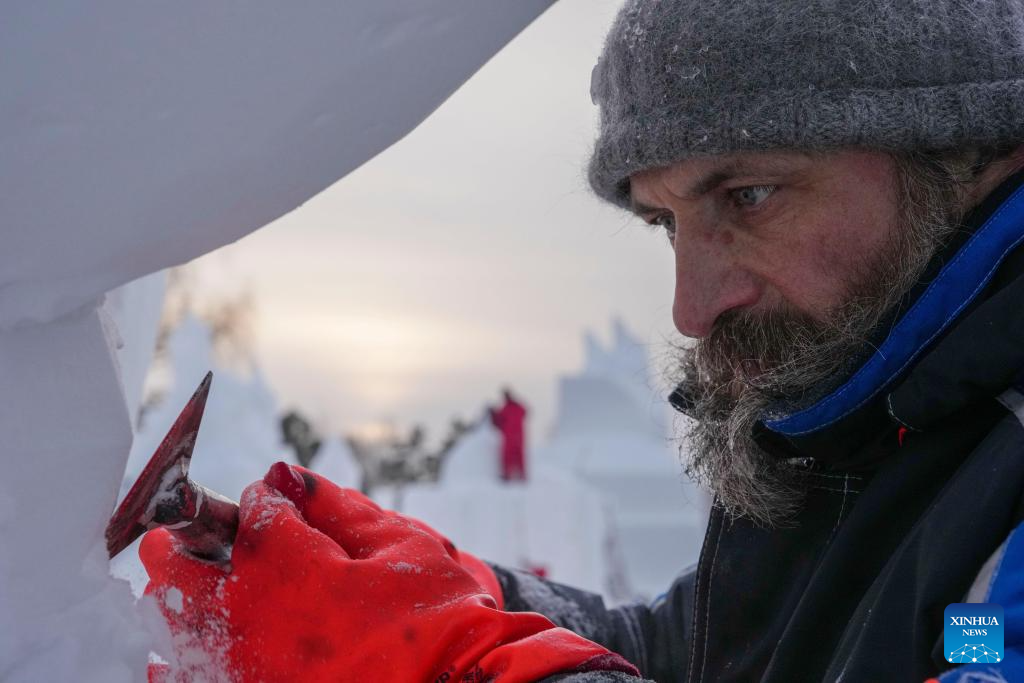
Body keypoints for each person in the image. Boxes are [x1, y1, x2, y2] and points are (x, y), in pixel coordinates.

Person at [141, 1, 1024, 681]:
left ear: (973, 152)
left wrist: (459, 661)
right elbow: (699, 657)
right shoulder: (866, 422)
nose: (691, 306)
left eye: (749, 195)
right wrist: (444, 596)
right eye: (664, 223)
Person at [490, 388, 528, 482]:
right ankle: (520, 475)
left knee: (509, 455)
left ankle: (509, 475)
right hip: (518, 435)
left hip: (510, 435)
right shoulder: (517, 406)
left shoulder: (506, 408)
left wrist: (493, 415)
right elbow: (525, 412)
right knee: (518, 455)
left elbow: (498, 420)